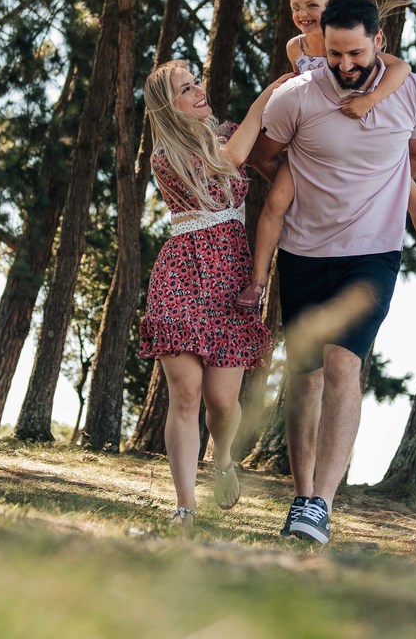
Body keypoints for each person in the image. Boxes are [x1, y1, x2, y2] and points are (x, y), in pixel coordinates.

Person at [247, 0, 416, 544]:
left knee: (342, 362)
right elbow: (265, 155)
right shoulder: (298, 99)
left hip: (372, 251)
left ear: (378, 41)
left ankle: (322, 504)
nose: (346, 65)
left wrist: (376, 186)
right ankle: (302, 495)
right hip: (303, 251)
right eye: (335, 54)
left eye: (355, 53)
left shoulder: (411, 94)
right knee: (304, 375)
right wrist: (299, 186)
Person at [236, 0, 416, 312]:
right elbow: (305, 90)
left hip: (364, 147)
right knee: (275, 204)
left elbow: (402, 69)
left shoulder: (361, 45)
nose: (302, 13)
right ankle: (258, 281)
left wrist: (369, 100)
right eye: (296, 6)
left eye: (312, 5)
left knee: (415, 200)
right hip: (311, 153)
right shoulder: (298, 46)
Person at [139, 60, 293, 532]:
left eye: (197, 82)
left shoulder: (228, 130)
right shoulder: (166, 155)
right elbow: (227, 162)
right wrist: (265, 96)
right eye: (186, 90)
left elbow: (273, 155)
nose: (198, 91)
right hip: (182, 274)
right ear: (170, 106)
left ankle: (222, 457)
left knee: (222, 402)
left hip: (229, 276)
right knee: (185, 396)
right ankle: (184, 507)